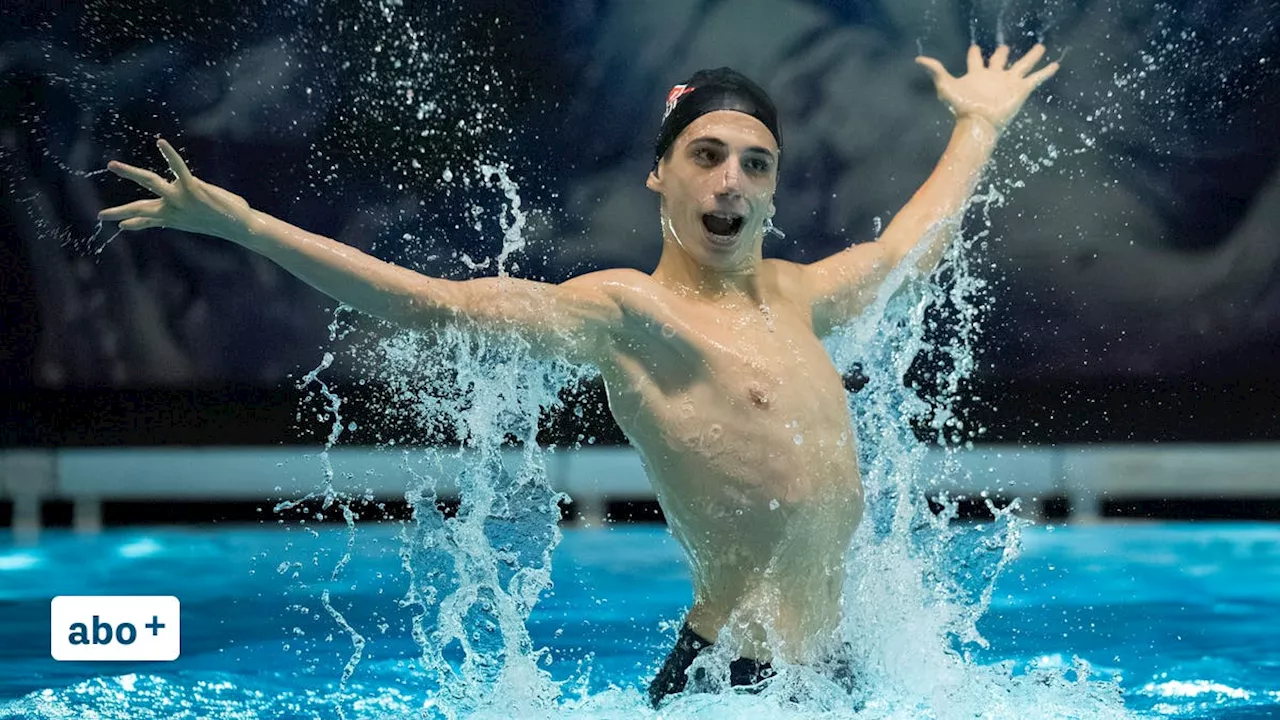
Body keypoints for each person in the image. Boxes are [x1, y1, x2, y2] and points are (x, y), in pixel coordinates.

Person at [99, 43, 1058, 708]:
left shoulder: (799, 296)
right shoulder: (628, 315)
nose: (732, 181)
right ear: (661, 174)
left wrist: (977, 123)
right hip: (734, 685)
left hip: (835, 674)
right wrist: (248, 227)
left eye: (756, 165)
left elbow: (910, 249)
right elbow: (443, 305)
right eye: (708, 156)